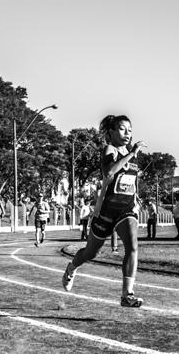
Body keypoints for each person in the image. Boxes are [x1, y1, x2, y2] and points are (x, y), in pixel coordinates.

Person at [61, 114, 145, 308]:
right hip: (106, 209)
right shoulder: (111, 150)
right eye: (122, 129)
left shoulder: (131, 154)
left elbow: (130, 179)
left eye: (130, 130)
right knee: (90, 253)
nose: (127, 133)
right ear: (112, 132)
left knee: (133, 245)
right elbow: (109, 173)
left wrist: (136, 198)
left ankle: (127, 294)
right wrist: (131, 153)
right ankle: (71, 268)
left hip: (126, 209)